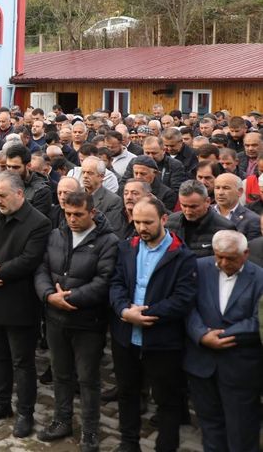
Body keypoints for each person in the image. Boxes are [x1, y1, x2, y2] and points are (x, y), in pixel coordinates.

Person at [109, 196, 198, 452]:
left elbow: (182, 299)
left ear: (163, 219)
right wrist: (124, 310)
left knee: (167, 401)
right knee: (127, 393)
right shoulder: (127, 247)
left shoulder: (182, 256)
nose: (141, 227)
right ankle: (129, 443)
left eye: (147, 222)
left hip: (162, 342)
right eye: (136, 222)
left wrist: (147, 314)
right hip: (126, 336)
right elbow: (116, 283)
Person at [34, 190, 118, 451]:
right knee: (60, 373)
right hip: (55, 319)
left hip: (88, 322)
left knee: (87, 379)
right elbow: (42, 270)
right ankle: (62, 420)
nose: (72, 219)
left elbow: (104, 281)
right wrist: (49, 296)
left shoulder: (108, 241)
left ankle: (90, 430)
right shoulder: (56, 235)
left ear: (92, 212)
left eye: (78, 214)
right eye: (68, 214)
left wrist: (71, 298)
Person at [0, 171, 51, 437]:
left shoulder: (39, 222)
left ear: (19, 193)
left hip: (19, 303)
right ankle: (2, 403)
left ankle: (25, 413)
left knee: (22, 362)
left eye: (3, 195)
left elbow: (30, 259)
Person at [185, 230, 263, 452]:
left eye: (230, 258)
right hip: (202, 364)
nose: (222, 262)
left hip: (240, 367)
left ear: (245, 254)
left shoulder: (259, 278)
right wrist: (201, 334)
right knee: (210, 426)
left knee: (242, 430)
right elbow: (188, 307)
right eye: (219, 256)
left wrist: (222, 336)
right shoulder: (199, 268)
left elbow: (258, 320)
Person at [166, 180, 236, 258]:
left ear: (207, 202)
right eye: (184, 206)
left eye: (193, 207)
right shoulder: (170, 222)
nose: (188, 211)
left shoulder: (225, 229)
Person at [80, 156, 124, 235]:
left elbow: (110, 229)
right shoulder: (76, 196)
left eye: (90, 173)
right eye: (83, 172)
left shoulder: (113, 201)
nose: (85, 176)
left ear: (101, 176)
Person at [213, 173, 261, 241]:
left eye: (226, 188)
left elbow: (252, 248)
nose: (220, 193)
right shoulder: (204, 212)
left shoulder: (253, 220)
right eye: (217, 188)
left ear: (240, 191)